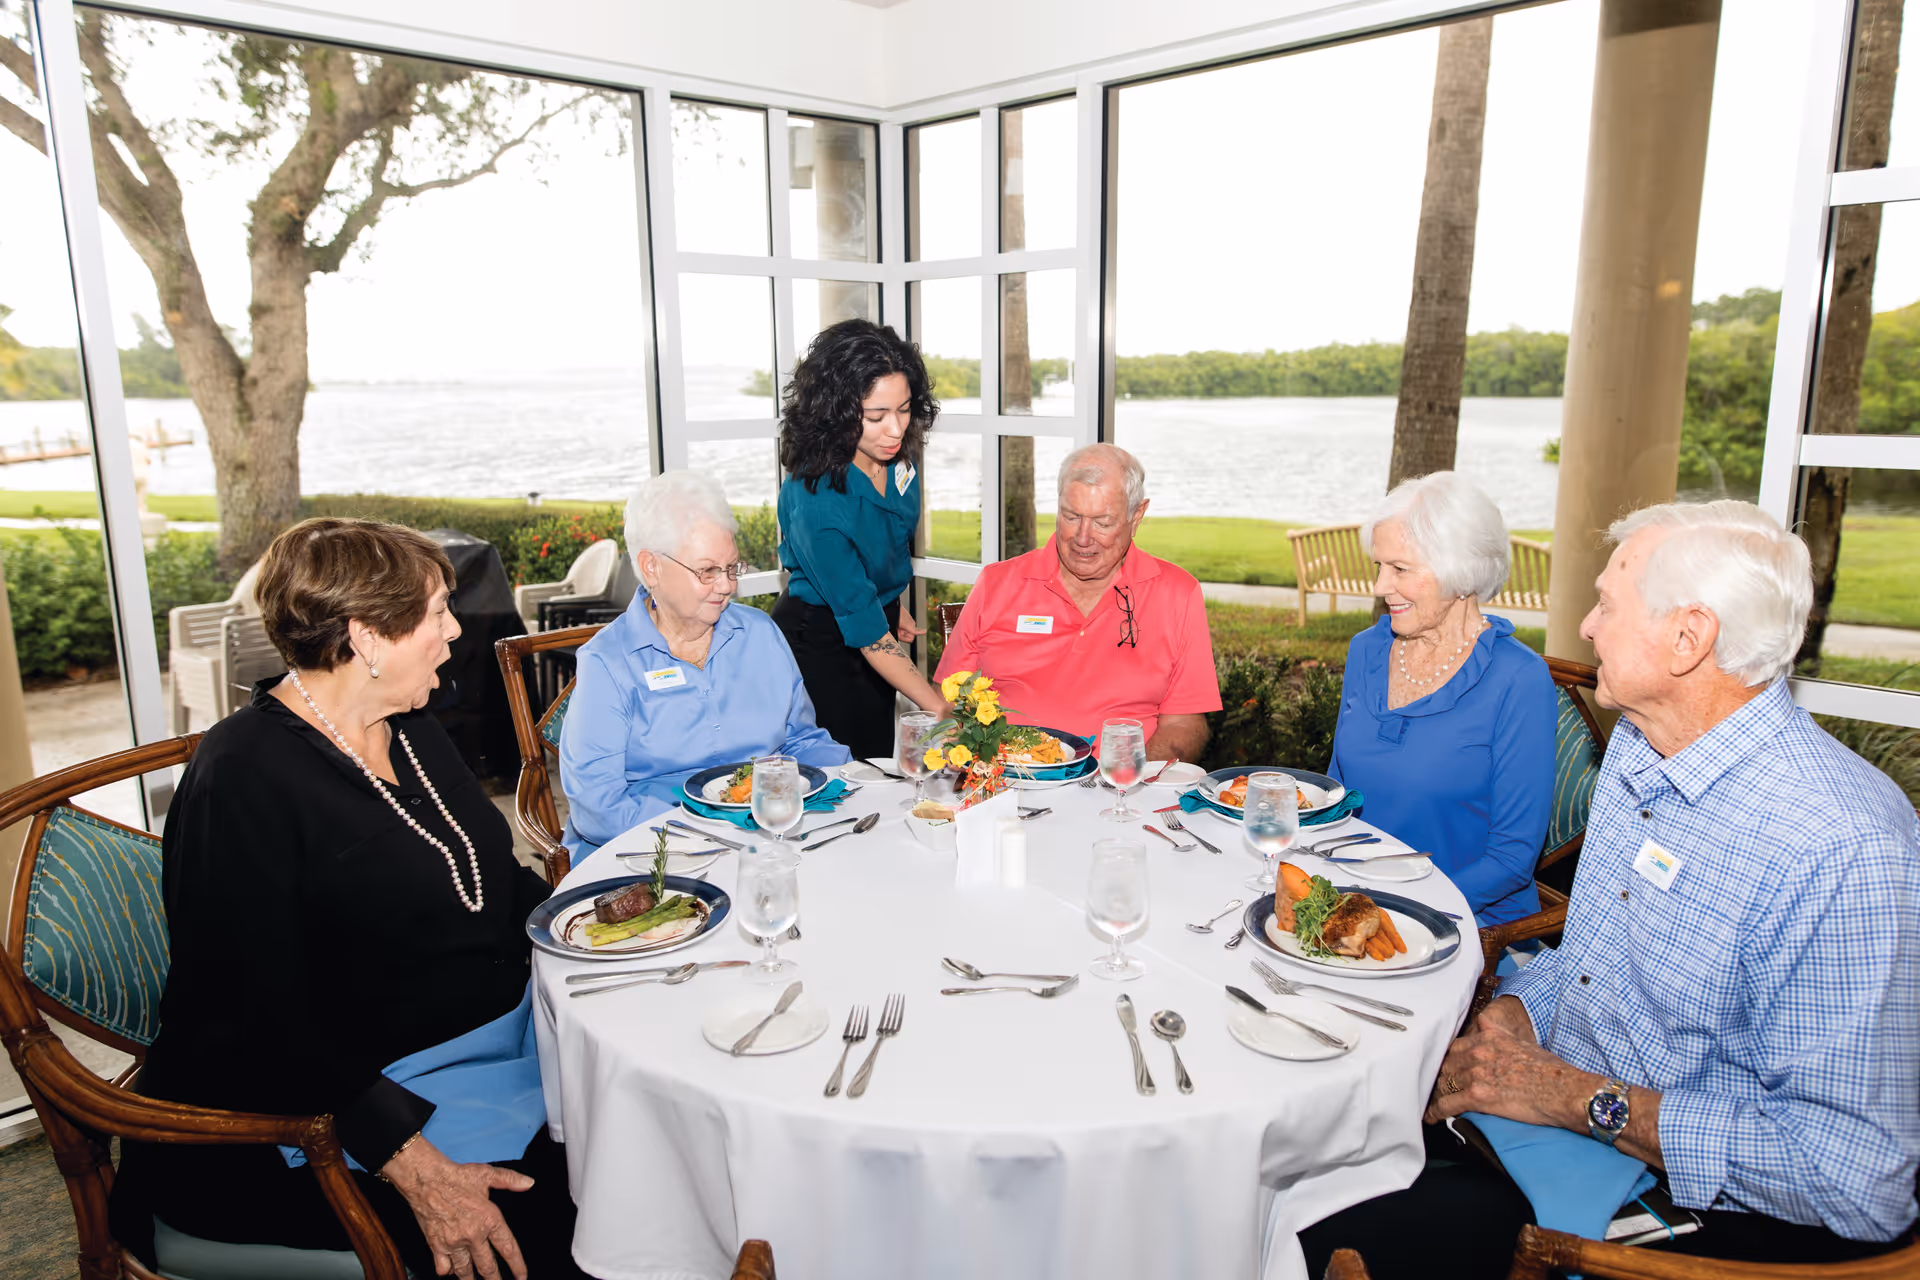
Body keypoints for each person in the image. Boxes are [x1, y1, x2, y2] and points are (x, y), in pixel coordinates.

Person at [1303, 500, 1920, 1279]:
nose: (1586, 628)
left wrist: (1576, 1098)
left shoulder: (1840, 847)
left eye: (1606, 605)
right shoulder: (1643, 747)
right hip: (1555, 1118)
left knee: (1329, 1227)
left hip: (1692, 1207)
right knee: (1313, 1158)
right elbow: (1589, 956)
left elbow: (1858, 1180)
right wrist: (1511, 1017)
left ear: (1688, 639)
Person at [111, 518, 586, 1280]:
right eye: (436, 614)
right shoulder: (241, 777)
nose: (454, 631)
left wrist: (597, 926)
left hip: (490, 1055)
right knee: (555, 1226)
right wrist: (419, 1169)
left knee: (637, 1145)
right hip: (315, 1120)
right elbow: (255, 1020)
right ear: (366, 638)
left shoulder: (412, 727)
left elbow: (493, 878)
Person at [559, 470, 850, 859]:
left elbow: (801, 741)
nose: (727, 585)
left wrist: (850, 780)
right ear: (651, 568)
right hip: (650, 854)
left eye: (732, 568)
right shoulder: (608, 664)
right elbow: (599, 806)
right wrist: (704, 839)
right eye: (708, 571)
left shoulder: (760, 634)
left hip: (766, 837)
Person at [1325, 472, 1557, 927]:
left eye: (1400, 569)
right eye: (1379, 566)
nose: (1379, 586)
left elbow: (1511, 859)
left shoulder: (1518, 679)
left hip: (1463, 924)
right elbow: (1338, 794)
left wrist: (1397, 910)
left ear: (1460, 569)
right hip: (1353, 904)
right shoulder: (1367, 650)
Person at [936, 443, 1220, 763]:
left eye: (1102, 522)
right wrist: (970, 765)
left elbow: (1185, 722)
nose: (1083, 538)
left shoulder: (1178, 593)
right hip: (1008, 783)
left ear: (1136, 516)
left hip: (1118, 793)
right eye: (1071, 516)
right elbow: (949, 702)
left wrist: (1129, 778)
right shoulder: (996, 583)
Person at [773, 319, 946, 758]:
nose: (896, 429)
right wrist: (938, 707)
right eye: (876, 416)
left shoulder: (896, 459)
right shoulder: (816, 501)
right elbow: (865, 630)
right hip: (822, 642)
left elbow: (885, 540)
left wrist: (891, 601)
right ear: (834, 413)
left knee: (876, 758)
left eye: (905, 409)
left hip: (873, 622)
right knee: (842, 772)